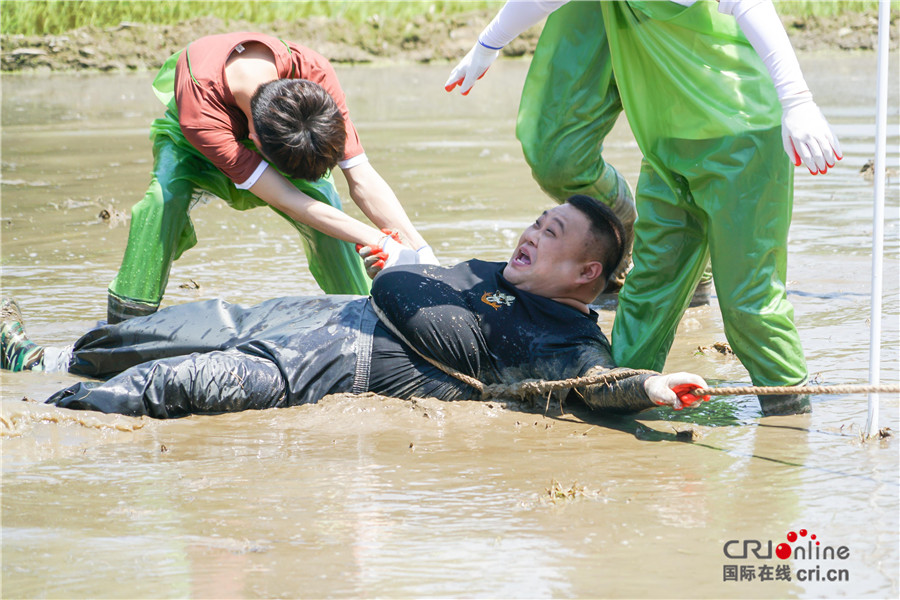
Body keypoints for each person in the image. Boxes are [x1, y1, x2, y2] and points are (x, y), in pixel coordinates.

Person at [445, 0, 843, 415]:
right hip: (665, 152)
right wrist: (487, 45)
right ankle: (617, 397)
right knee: (647, 291)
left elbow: (749, 4)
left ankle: (788, 421)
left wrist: (797, 100)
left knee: (748, 302)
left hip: (741, 144)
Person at [2, 195, 710, 419]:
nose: (531, 232)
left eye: (550, 233)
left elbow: (598, 382)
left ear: (587, 272)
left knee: (180, 382)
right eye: (537, 220)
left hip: (339, 363)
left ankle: (49, 417)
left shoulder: (563, 333)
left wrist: (652, 386)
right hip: (326, 312)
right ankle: (37, 360)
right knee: (173, 328)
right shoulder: (500, 272)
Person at [107, 31, 437, 324]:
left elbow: (361, 176)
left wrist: (419, 252)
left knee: (325, 203)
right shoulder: (201, 113)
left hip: (285, 139)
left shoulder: (315, 75)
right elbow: (287, 199)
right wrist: (378, 240)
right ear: (254, 138)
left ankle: (366, 313)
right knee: (162, 202)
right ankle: (125, 320)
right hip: (191, 143)